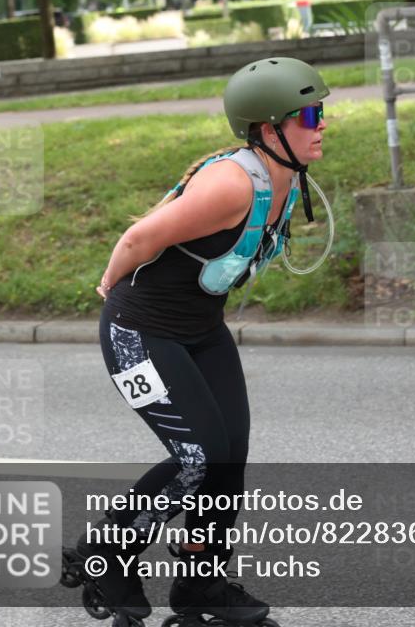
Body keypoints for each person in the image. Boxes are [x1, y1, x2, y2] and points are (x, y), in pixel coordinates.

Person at [65, 56, 329, 626]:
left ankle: (199, 586)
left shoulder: (284, 181)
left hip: (201, 332)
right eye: (309, 113)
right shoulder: (232, 184)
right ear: (269, 129)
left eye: (321, 110)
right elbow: (140, 236)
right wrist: (110, 283)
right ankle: (106, 553)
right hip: (139, 333)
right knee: (197, 458)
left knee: (228, 461)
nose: (321, 122)